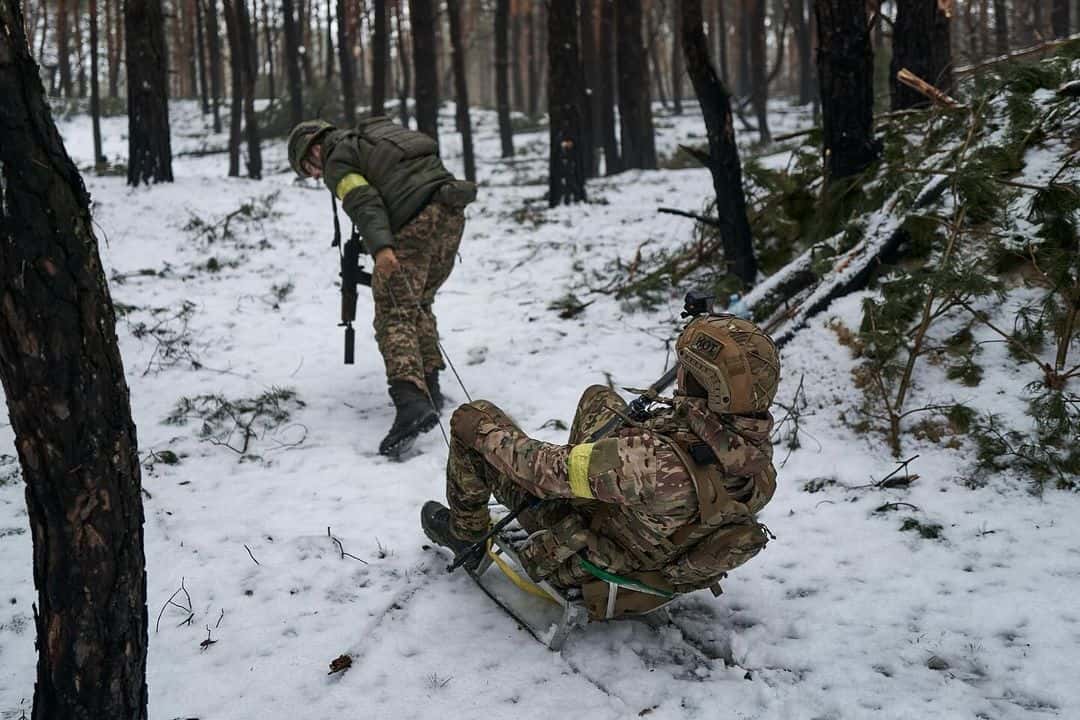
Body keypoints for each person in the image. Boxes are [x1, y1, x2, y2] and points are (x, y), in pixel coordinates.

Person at [421, 314, 781, 620]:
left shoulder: (649, 460)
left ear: (707, 384)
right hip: (645, 549)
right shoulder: (758, 464)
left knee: (477, 417)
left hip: (585, 555)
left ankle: (465, 534)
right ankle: (589, 471)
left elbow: (539, 470)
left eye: (687, 370)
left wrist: (481, 430)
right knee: (600, 399)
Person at [287, 116, 476, 457]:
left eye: (309, 168)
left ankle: (411, 404)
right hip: (451, 211)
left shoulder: (338, 160)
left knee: (393, 313)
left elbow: (363, 201)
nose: (316, 176)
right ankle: (430, 386)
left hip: (414, 223)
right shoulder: (371, 139)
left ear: (316, 148)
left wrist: (382, 248)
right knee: (418, 302)